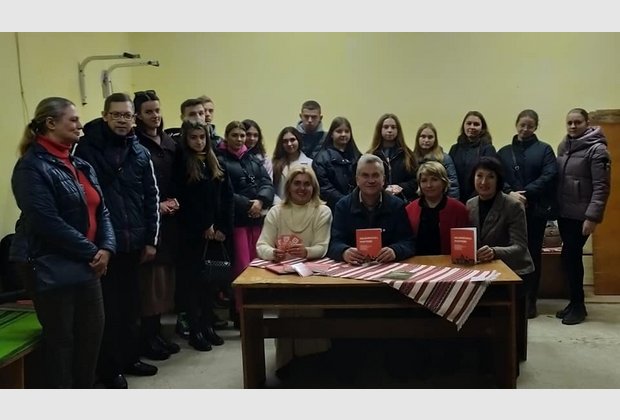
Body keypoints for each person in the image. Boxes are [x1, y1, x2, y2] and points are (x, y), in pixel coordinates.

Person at [10, 97, 116, 388]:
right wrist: (92, 251)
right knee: (62, 343)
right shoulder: (31, 167)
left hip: (87, 264)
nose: (80, 125)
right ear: (50, 123)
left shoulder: (80, 164)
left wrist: (107, 248)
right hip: (49, 265)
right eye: (73, 119)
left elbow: (102, 210)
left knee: (91, 337)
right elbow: (45, 221)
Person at [74, 92, 160, 388]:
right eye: (116, 115)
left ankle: (130, 358)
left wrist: (151, 240)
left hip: (133, 242)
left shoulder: (140, 152)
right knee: (107, 311)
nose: (122, 120)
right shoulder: (85, 150)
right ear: (105, 116)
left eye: (127, 115)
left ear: (134, 119)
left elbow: (151, 197)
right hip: (102, 246)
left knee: (131, 307)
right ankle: (109, 369)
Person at [255, 165, 332, 377]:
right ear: (288, 187)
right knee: (286, 314)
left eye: (307, 184)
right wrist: (273, 253)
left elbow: (322, 247)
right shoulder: (276, 212)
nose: (302, 188)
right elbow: (261, 245)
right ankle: (286, 362)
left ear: (314, 187)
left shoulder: (322, 211)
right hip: (283, 277)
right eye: (297, 183)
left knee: (312, 314)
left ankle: (315, 363)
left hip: (312, 276)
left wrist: (306, 251)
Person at [466, 156, 534, 371]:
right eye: (479, 176)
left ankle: (508, 359)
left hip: (516, 270)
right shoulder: (470, 204)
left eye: (490, 177)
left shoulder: (513, 205)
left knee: (504, 317)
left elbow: (520, 247)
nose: (483, 182)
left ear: (499, 180)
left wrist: (494, 252)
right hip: (483, 270)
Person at [176, 121, 233, 350]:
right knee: (193, 285)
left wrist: (222, 228)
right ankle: (195, 330)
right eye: (194, 137)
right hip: (193, 235)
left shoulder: (215, 162)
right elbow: (186, 201)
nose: (199, 141)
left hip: (215, 235)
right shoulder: (182, 164)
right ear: (186, 139)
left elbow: (227, 198)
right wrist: (204, 225)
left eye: (202, 137)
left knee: (210, 284)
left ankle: (208, 325)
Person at [133, 90, 181, 359]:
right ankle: (147, 337)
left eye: (157, 110)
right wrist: (157, 205)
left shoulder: (169, 142)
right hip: (150, 221)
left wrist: (176, 200)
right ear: (138, 116)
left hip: (172, 222)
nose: (155, 116)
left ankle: (159, 334)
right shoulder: (136, 144)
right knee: (150, 286)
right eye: (149, 112)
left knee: (165, 284)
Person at [497, 109, 558, 318]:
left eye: (530, 126)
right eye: (522, 125)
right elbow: (497, 176)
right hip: (509, 211)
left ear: (536, 127)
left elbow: (550, 175)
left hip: (535, 211)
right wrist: (510, 193)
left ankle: (531, 299)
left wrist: (525, 193)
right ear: (516, 124)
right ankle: (510, 296)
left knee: (532, 254)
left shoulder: (545, 150)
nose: (525, 129)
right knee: (508, 252)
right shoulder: (504, 152)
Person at [555, 108, 611, 325]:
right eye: (569, 122)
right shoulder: (564, 146)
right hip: (564, 212)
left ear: (587, 123)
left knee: (572, 257)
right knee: (568, 258)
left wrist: (592, 217)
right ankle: (574, 302)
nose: (572, 126)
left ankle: (579, 306)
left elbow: (601, 186)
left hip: (581, 215)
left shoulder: (597, 150)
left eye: (577, 122)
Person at [217, 121, 275, 325]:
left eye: (242, 135)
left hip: (256, 221)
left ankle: (256, 309)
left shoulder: (252, 159)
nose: (240, 139)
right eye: (235, 135)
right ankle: (240, 312)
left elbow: (267, 183)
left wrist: (261, 200)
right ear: (227, 137)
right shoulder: (220, 159)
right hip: (237, 222)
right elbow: (223, 192)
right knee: (241, 267)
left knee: (257, 265)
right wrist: (247, 204)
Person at [327, 153, 415, 264]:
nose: (371, 180)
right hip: (354, 268)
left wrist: (395, 251)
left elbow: (408, 242)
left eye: (375, 175)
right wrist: (344, 252)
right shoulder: (342, 206)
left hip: (387, 267)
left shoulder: (397, 205)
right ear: (357, 179)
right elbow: (334, 244)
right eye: (365, 175)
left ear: (383, 179)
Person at [405, 161, 469, 255]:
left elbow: (465, 246)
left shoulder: (459, 210)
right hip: (416, 261)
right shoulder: (409, 210)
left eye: (434, 179)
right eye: (424, 181)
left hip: (449, 262)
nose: (429, 185)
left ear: (444, 182)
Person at [312, 116, 362, 211]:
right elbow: (324, 187)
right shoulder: (321, 158)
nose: (343, 134)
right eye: (339, 131)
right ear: (331, 134)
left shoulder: (358, 157)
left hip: (358, 206)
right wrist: (345, 201)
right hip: (332, 207)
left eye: (347, 131)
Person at [367, 113, 418, 203]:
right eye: (386, 127)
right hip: (377, 202)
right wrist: (383, 189)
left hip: (402, 201)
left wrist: (400, 187)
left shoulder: (407, 154)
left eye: (393, 127)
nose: (390, 130)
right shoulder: (371, 155)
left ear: (398, 130)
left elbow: (415, 181)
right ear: (380, 129)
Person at [449, 111, 498, 203]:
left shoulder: (488, 149)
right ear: (463, 126)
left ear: (482, 128)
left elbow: (488, 177)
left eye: (476, 124)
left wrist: (473, 200)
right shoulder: (454, 149)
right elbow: (450, 176)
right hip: (456, 198)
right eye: (469, 123)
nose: (472, 127)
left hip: (479, 199)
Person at [412, 122, 460, 199]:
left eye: (430, 137)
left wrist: (451, 203)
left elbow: (453, 185)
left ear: (435, 140)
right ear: (418, 138)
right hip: (417, 201)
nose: (426, 140)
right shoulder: (411, 158)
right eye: (423, 136)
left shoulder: (444, 158)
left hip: (440, 200)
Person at [271, 126, 312, 204]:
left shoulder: (310, 163)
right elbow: (270, 188)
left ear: (298, 140)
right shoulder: (274, 164)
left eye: (292, 140)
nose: (289, 144)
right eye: (285, 141)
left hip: (303, 206)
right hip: (280, 206)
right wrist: (278, 203)